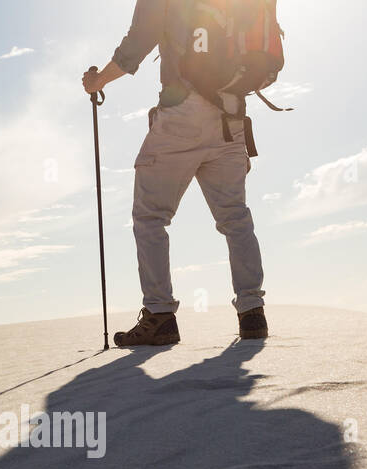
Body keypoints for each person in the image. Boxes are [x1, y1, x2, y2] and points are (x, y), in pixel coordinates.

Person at [83, 0, 268, 347]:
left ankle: (160, 316)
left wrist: (97, 82)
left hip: (183, 111)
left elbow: (136, 46)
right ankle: (252, 312)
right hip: (232, 115)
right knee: (235, 217)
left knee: (151, 216)